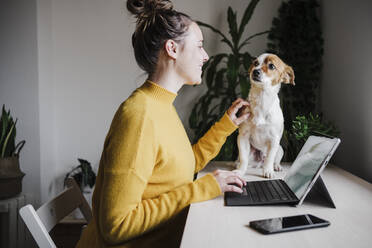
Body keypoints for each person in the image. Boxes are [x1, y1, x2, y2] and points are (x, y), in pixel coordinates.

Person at [76, 0, 250, 247]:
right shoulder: (139, 116)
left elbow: (180, 169)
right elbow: (116, 225)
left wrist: (226, 125)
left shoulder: (161, 106)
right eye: (199, 46)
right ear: (172, 49)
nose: (206, 55)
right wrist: (201, 189)